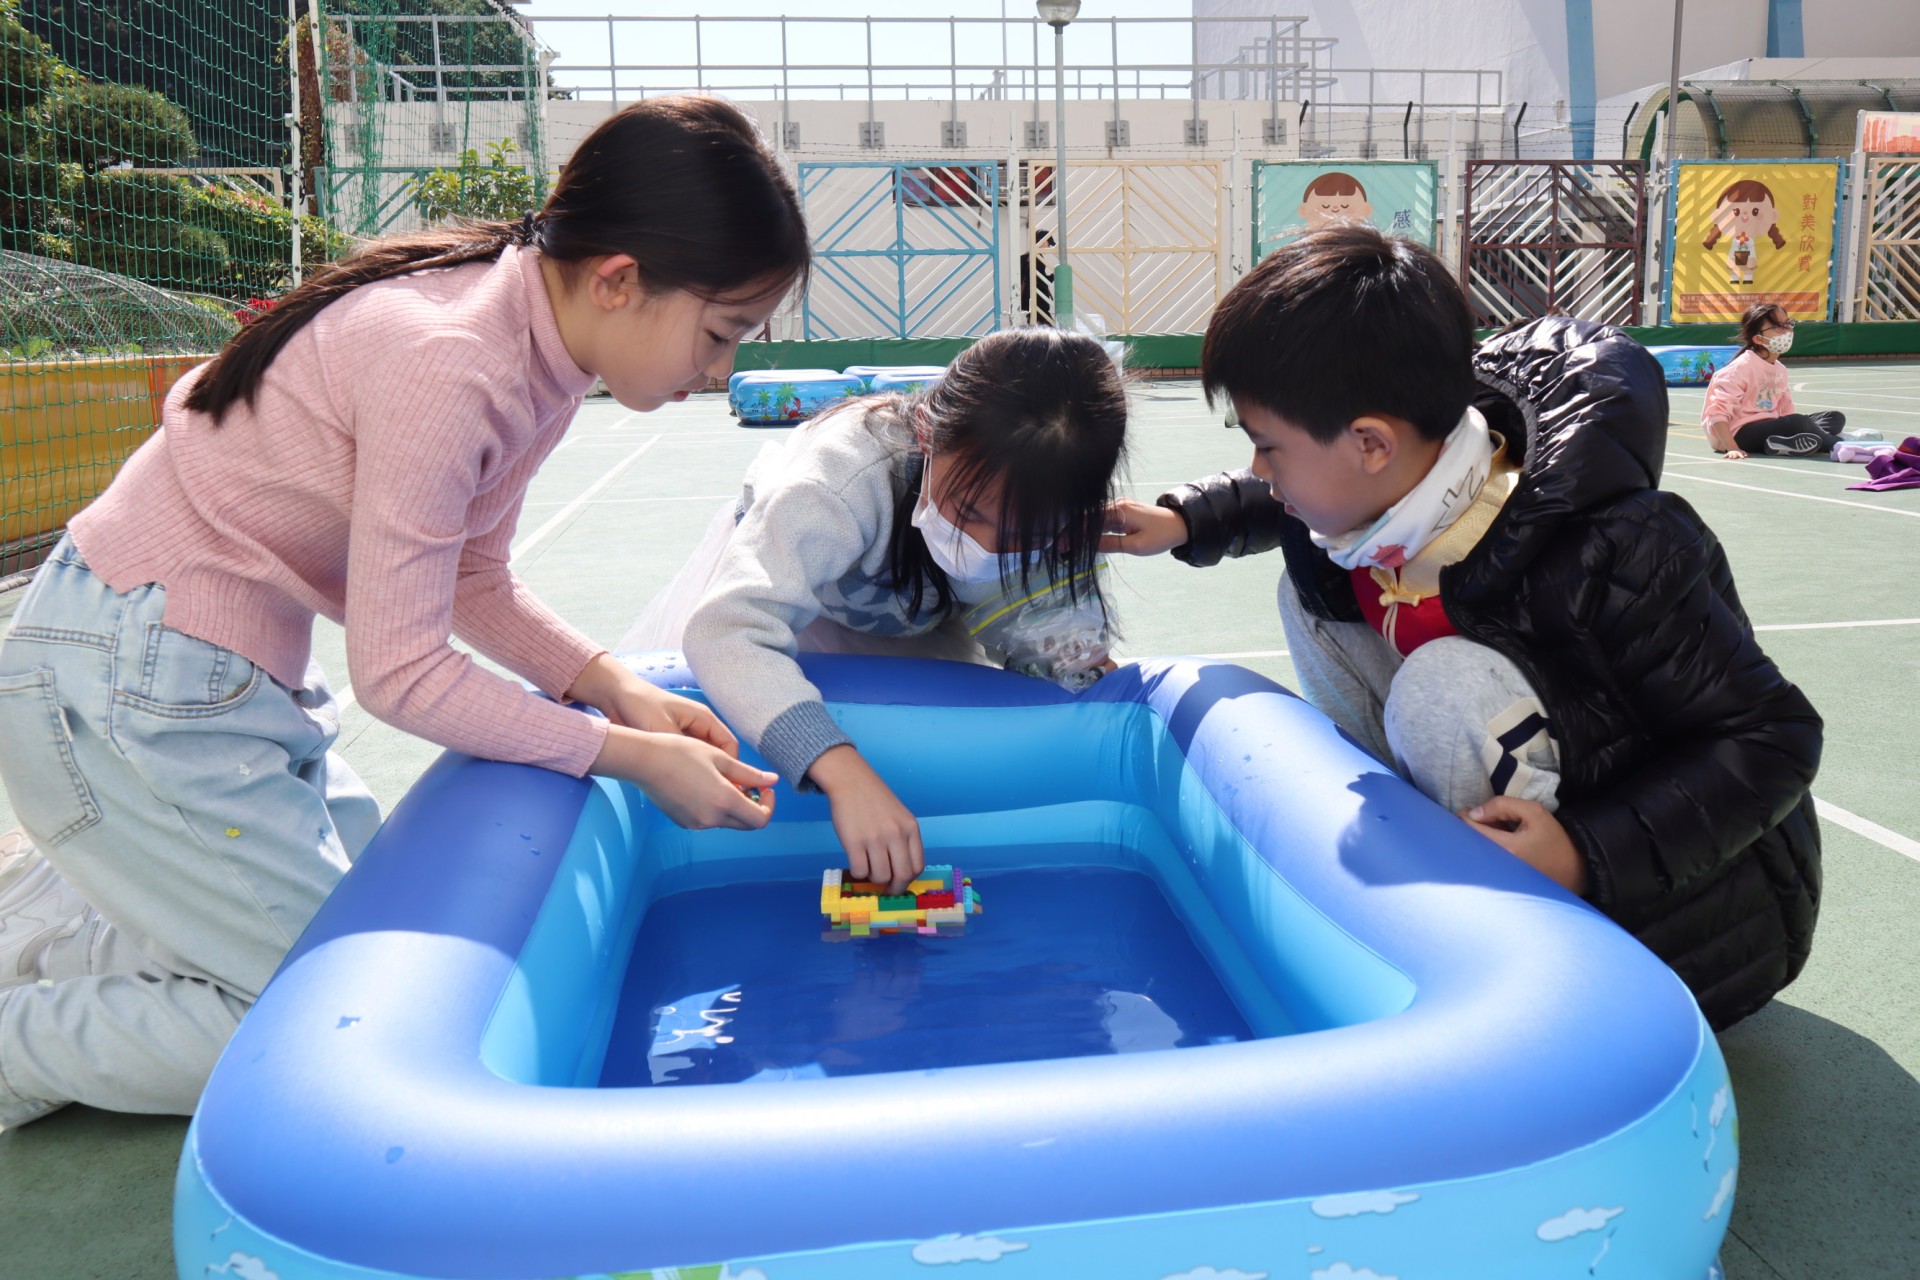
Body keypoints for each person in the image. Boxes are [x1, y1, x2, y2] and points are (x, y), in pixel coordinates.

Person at [0, 96, 808, 1128]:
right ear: (618, 279)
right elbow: (401, 673)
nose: (722, 370)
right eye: (720, 331)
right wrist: (629, 754)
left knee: (348, 933)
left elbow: (470, 574)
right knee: (307, 1028)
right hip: (129, 681)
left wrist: (611, 684)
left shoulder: (540, 352)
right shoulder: (454, 361)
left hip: (195, 672)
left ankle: (55, 934)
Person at [1104, 225, 1822, 1029]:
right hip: (1543, 779)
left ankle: (1505, 951)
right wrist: (1184, 518)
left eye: (1267, 447)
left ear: (1372, 443)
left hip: (1678, 913)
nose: (1260, 472)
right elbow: (1301, 490)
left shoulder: (1616, 548)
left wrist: (1583, 853)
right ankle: (1423, 852)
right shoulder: (1425, 459)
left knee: (1444, 687)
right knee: (1308, 594)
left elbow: (1775, 739)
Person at [670, 327, 1128, 896]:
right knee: (774, 711)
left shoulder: (1051, 507)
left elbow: (1057, 659)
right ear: (927, 434)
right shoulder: (837, 483)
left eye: (1024, 535)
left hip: (915, 615)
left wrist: (1079, 669)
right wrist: (841, 771)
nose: (986, 547)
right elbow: (727, 632)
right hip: (799, 599)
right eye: (968, 512)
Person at [1703, 302, 1846, 459]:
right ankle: (1839, 444)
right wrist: (1732, 448)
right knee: (1799, 423)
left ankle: (1784, 442)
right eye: (1777, 326)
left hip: (1770, 425)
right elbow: (1717, 413)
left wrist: (1794, 427)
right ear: (1758, 339)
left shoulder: (1779, 369)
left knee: (1835, 417)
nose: (1787, 330)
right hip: (1737, 434)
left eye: (1787, 323)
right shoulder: (1740, 368)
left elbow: (1785, 410)